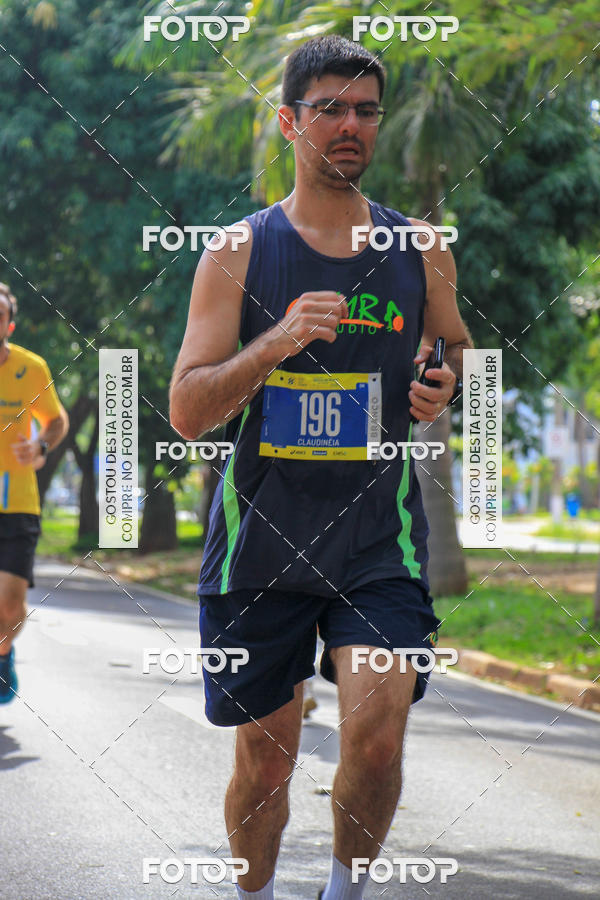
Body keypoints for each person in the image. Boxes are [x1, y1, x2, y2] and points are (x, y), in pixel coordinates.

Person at [170, 35, 473, 900]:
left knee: (376, 738)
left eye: (366, 111)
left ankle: (345, 892)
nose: (350, 126)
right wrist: (278, 340)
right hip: (260, 546)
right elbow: (187, 410)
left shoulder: (422, 247)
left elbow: (453, 344)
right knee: (265, 764)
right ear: (287, 122)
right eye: (330, 109)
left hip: (377, 541)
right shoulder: (237, 250)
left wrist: (444, 380)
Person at [0, 284, 69, 703]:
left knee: (9, 607)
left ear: (9, 324)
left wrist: (40, 445)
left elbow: (56, 420)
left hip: (17, 504)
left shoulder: (31, 368)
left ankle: (3, 651)